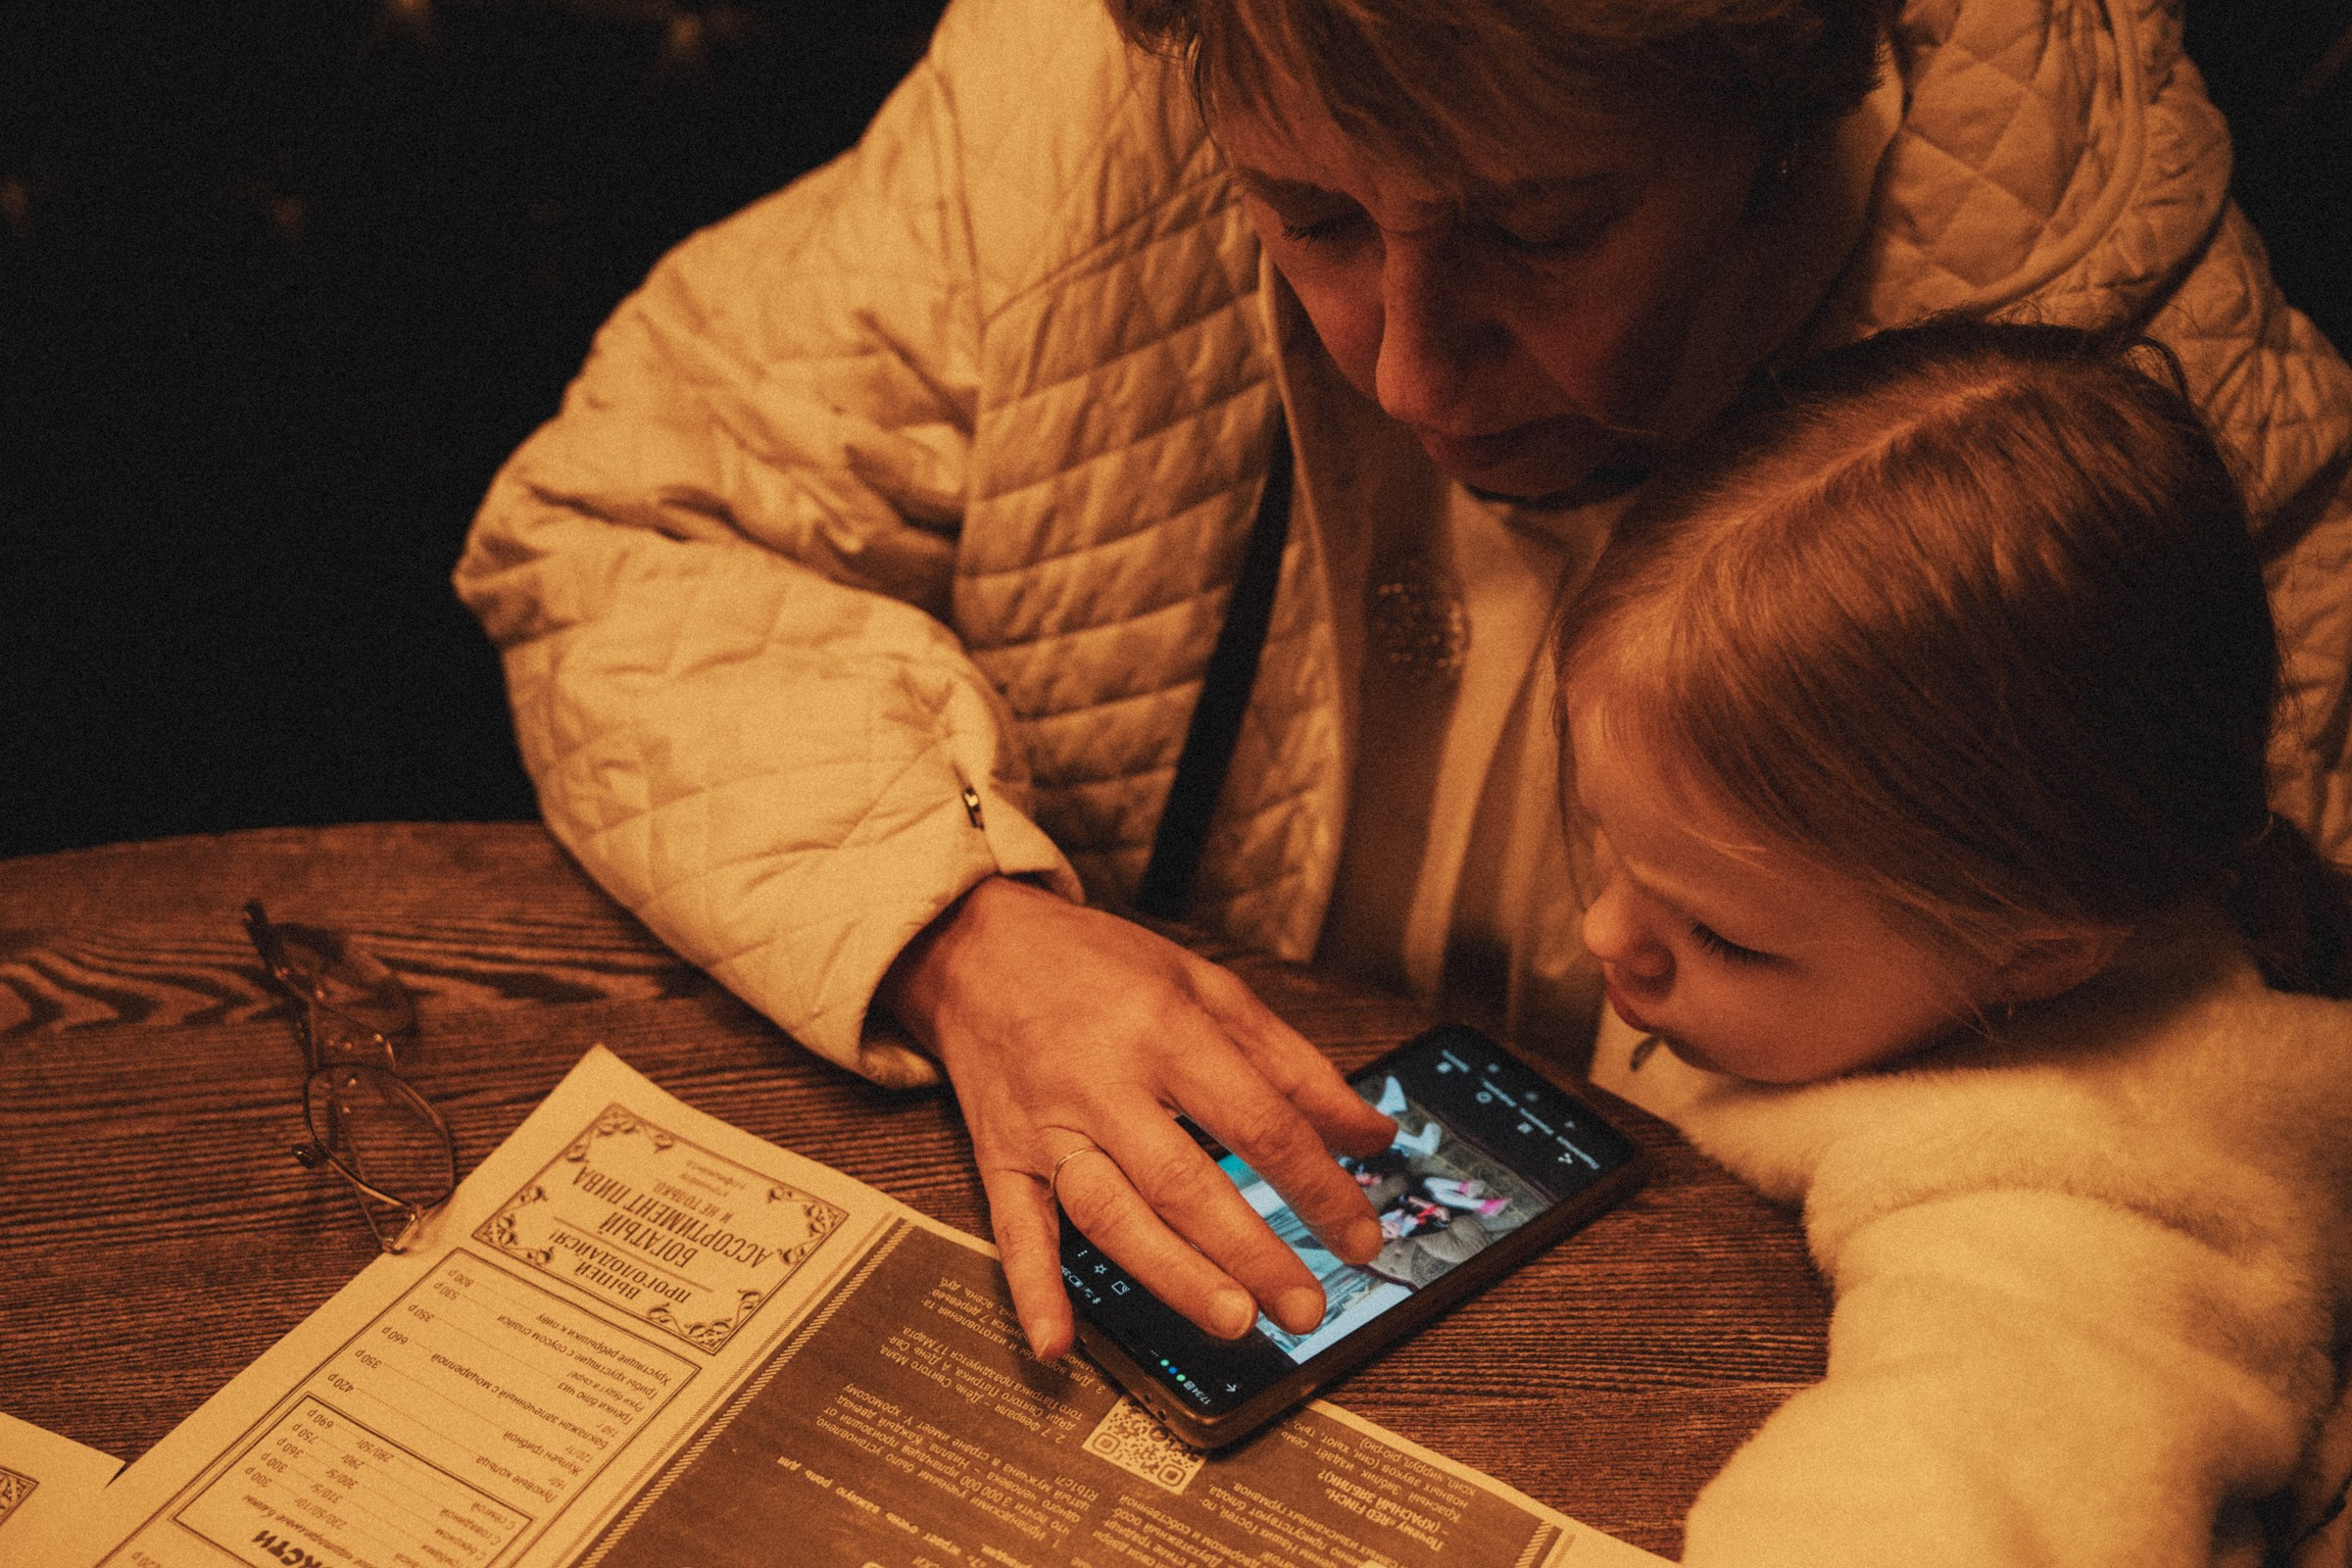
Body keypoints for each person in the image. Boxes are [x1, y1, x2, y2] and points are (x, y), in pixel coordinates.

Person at [452, 0, 2352, 1363]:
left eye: (1541, 229)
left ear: (1787, 114)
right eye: (1311, 217)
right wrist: (959, 930)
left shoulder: (2083, 293)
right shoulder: (1084, 89)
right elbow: (627, 525)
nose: (1412, 374)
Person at [1558, 317, 2352, 1567]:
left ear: (2038, 957)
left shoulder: (2086, 1195)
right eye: (1603, 841)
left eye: (1719, 935)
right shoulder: (1870, 940)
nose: (1603, 931)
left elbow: (1958, 1492)